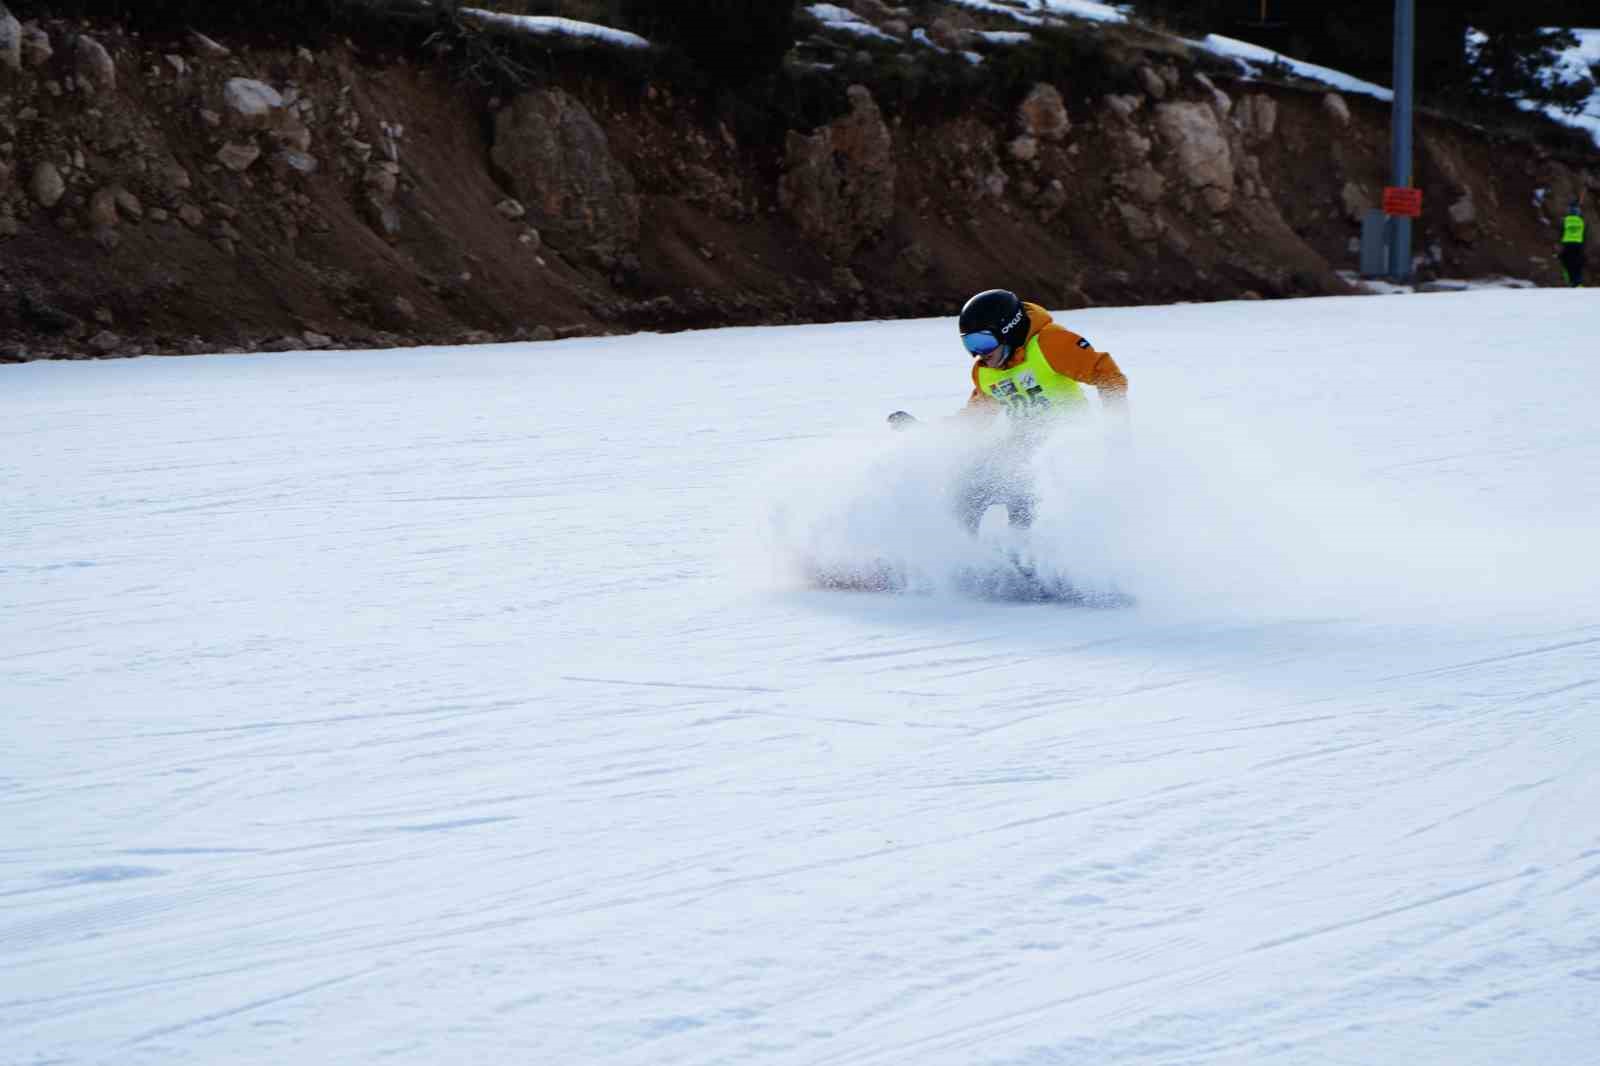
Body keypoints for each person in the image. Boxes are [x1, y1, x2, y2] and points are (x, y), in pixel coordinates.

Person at [889, 288, 1130, 533]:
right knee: (968, 487)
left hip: (1066, 447)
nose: (979, 353)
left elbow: (1107, 374)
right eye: (969, 344)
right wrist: (925, 433)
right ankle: (961, 550)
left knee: (1024, 491)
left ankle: (1029, 548)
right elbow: (974, 419)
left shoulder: (1049, 344)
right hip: (1022, 446)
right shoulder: (985, 373)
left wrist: (1115, 426)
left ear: (1009, 330)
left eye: (983, 342)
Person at [1559, 199, 1586, 288]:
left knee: (1566, 262)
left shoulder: (1565, 220)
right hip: (1578, 245)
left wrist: (1560, 242)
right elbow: (1584, 234)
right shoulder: (1581, 221)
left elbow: (1561, 232)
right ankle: (1578, 282)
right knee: (1577, 264)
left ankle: (1570, 281)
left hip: (1567, 244)